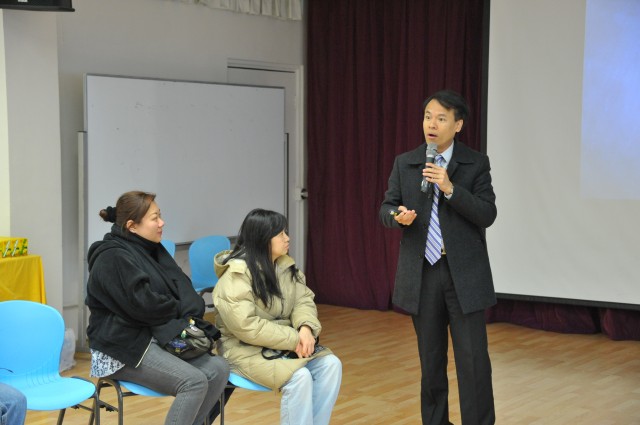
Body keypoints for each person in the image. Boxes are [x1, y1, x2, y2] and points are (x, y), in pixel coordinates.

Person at [379, 90, 497, 425]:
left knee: (473, 362)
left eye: (441, 118)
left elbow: (487, 214)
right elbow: (386, 208)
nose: (432, 124)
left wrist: (451, 189)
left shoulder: (475, 163)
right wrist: (397, 216)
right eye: (428, 116)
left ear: (458, 125)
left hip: (464, 275)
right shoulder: (406, 162)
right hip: (423, 273)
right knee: (430, 363)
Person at [85, 190, 230, 425]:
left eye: (160, 216)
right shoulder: (111, 257)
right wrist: (178, 307)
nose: (162, 223)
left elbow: (186, 294)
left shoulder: (152, 249)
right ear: (132, 226)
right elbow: (144, 306)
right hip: (121, 346)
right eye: (155, 218)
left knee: (218, 368)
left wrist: (175, 306)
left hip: (154, 333)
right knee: (193, 382)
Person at [212, 209, 342, 425]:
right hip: (242, 350)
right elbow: (247, 327)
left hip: (281, 346)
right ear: (262, 239)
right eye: (280, 234)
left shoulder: (284, 266)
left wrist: (306, 328)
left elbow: (303, 300)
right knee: (299, 377)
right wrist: (295, 339)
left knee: (331, 365)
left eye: (286, 232)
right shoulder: (236, 275)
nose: (287, 238)